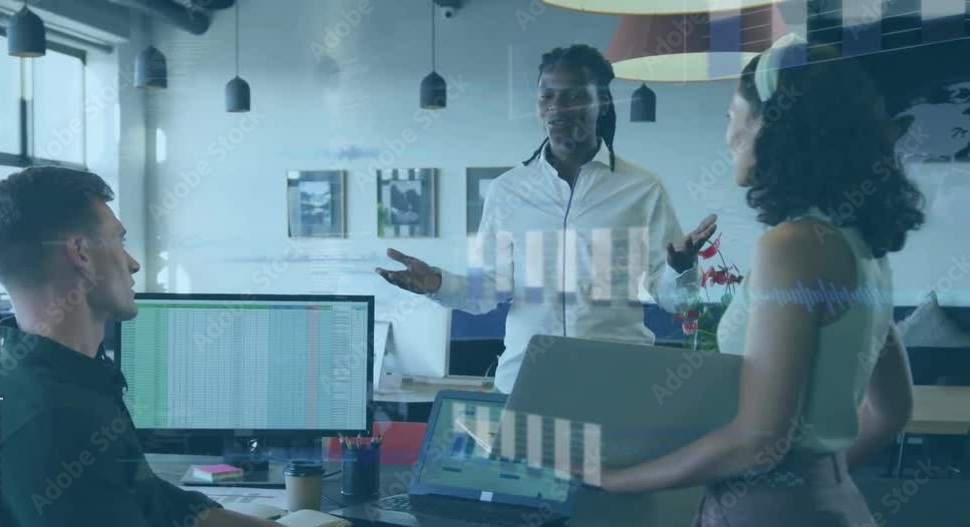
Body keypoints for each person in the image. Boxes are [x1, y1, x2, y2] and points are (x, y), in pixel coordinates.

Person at [587, 35, 925, 527]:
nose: (727, 136)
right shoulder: (860, 244)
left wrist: (615, 478)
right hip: (832, 502)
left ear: (772, 126)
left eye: (731, 116)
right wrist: (819, 479)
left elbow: (759, 441)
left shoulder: (793, 246)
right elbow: (892, 410)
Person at [376, 44, 717, 393]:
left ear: (602, 101)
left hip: (617, 385)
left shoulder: (641, 188)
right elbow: (486, 292)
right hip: (526, 383)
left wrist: (682, 270)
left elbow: (677, 300)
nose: (557, 107)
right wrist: (436, 283)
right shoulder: (507, 191)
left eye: (573, 96)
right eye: (547, 97)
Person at [0, 167, 280, 527]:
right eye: (120, 241)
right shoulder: (57, 417)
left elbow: (150, 499)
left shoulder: (9, 366)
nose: (134, 264)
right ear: (81, 254)